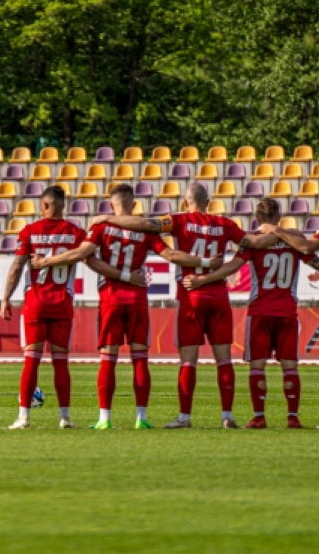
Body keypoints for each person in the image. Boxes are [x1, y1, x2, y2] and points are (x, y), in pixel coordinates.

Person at [30, 183, 221, 429]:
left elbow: (83, 254)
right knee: (140, 359)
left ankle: (104, 419)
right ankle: (141, 418)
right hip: (137, 299)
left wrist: (46, 261)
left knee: (108, 359)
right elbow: (172, 255)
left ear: (111, 205)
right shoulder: (145, 230)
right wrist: (205, 261)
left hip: (111, 297)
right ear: (134, 205)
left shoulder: (102, 226)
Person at [92, 181, 276, 428]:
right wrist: (280, 232)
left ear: (186, 202)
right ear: (208, 202)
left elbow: (147, 225)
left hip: (191, 296)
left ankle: (185, 417)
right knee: (223, 360)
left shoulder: (177, 220)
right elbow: (252, 243)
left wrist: (107, 218)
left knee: (188, 361)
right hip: (219, 297)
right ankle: (227, 415)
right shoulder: (225, 224)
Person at [2, 185, 135, 430]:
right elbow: (92, 260)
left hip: (35, 304)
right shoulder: (74, 232)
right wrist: (122, 276)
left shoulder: (30, 231)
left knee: (31, 360)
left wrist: (6, 298)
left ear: (44, 205)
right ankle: (65, 418)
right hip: (62, 304)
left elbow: (17, 266)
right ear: (64, 205)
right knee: (60, 361)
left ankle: (23, 417)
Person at [185, 198, 319, 429]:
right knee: (290, 367)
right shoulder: (294, 242)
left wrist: (202, 280)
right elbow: (314, 260)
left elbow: (232, 267)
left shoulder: (254, 242)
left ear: (257, 219)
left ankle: (259, 417)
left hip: (259, 311)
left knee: (257, 366)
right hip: (287, 312)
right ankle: (292, 417)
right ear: (278, 217)